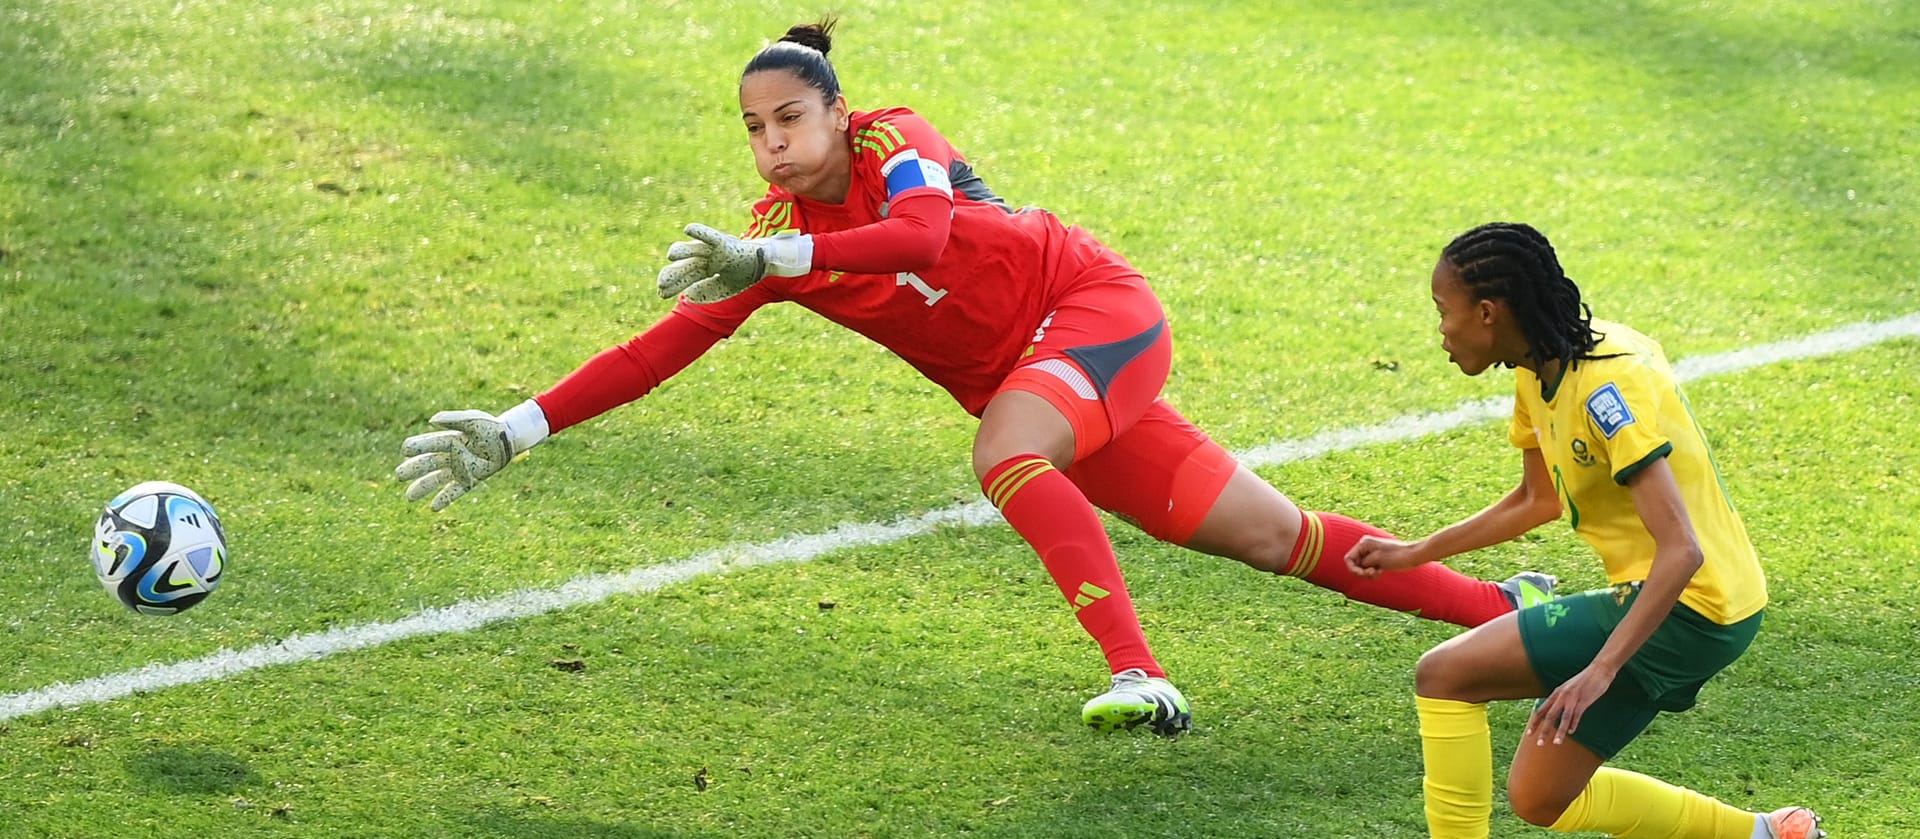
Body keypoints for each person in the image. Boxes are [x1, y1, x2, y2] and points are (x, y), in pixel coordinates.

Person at [395, 21, 1552, 736]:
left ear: (837, 112)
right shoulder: (766, 240)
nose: (773, 145)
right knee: (1274, 537)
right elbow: (659, 353)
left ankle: (1141, 678)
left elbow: (925, 242)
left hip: (1094, 316)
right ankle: (1522, 619)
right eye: (753, 129)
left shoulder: (895, 142)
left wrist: (782, 255)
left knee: (1004, 452)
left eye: (789, 119)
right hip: (1050, 381)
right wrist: (518, 426)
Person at [1343, 222, 1823, 839]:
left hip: (1687, 605)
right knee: (1540, 798)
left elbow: (1681, 551)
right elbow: (1534, 499)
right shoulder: (1539, 369)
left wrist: (1598, 671)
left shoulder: (1607, 386)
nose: (1438, 330)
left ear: (1488, 312)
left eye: (1443, 309)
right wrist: (1417, 552)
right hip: (1693, 607)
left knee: (1444, 675)